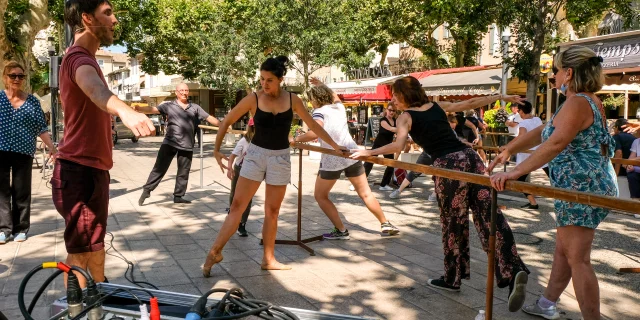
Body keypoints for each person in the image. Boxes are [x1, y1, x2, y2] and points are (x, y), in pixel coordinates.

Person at [350, 76, 529, 312]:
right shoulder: (437, 106)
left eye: (395, 94)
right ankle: (513, 268)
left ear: (405, 96)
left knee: (453, 221)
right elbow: (472, 102)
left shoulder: (406, 117)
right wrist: (502, 97)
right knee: (490, 214)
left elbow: (398, 146)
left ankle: (452, 278)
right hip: (471, 159)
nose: (393, 99)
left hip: (448, 166)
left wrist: (368, 152)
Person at [488, 46, 616, 319]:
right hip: (583, 184)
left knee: (578, 259)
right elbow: (543, 132)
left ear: (568, 73)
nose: (553, 76)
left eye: (556, 71)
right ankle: (547, 303)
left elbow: (556, 142)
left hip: (580, 188)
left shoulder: (578, 101)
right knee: (564, 250)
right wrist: (509, 149)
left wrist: (514, 172)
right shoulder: (583, 100)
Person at [202, 56, 342, 275]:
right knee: (237, 207)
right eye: (262, 79)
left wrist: (335, 146)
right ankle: (214, 252)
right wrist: (216, 150)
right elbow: (227, 120)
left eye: (269, 80)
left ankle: (268, 259)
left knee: (272, 211)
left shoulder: (293, 100)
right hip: (255, 155)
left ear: (280, 80)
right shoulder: (253, 99)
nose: (264, 84)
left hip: (281, 157)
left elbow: (314, 124)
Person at [53, 0, 155, 287]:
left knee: (95, 246)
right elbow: (95, 90)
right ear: (87, 18)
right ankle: (76, 310)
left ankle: (97, 303)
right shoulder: (78, 59)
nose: (114, 21)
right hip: (78, 171)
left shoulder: (87, 58)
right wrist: (125, 110)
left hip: (93, 171)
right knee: (81, 253)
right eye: (107, 14)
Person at [295, 79, 399, 240]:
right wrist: (322, 84)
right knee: (365, 193)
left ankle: (341, 230)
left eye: (310, 99)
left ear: (315, 99)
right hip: (351, 154)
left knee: (320, 196)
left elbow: (315, 132)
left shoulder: (319, 112)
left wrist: (296, 140)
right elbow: (335, 95)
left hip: (332, 158)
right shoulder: (339, 107)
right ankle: (385, 223)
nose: (310, 103)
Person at [0, 61, 57, 244]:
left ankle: (21, 228)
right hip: (0, 150)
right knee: (1, 192)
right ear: (5, 77)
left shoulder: (32, 101)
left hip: (23, 151)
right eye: (13, 75)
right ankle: (4, 229)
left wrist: (52, 148)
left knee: (21, 191)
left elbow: (40, 127)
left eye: (20, 76)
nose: (17, 79)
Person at [137, 83, 220, 205]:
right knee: (159, 168)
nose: (184, 92)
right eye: (181, 90)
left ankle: (178, 196)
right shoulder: (169, 106)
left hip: (187, 144)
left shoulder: (195, 107)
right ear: (176, 92)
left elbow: (208, 118)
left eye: (186, 90)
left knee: (183, 171)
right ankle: (147, 190)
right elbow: (153, 109)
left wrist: (223, 124)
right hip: (170, 142)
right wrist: (139, 109)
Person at [508, 101, 549, 209]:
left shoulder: (523, 123)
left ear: (521, 111)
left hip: (527, 154)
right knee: (552, 177)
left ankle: (533, 202)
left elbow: (521, 137)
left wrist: (507, 147)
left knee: (520, 179)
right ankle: (533, 203)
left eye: (519, 110)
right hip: (541, 152)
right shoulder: (537, 119)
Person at [227, 118, 256, 237]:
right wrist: (230, 169)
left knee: (248, 198)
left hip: (252, 172)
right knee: (234, 194)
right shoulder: (244, 141)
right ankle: (232, 215)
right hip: (239, 169)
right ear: (250, 128)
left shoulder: (263, 141)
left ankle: (242, 224)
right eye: (254, 127)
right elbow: (232, 156)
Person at [363, 104, 397, 191]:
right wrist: (402, 129)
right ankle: (359, 183)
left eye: (393, 111)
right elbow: (391, 129)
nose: (391, 112)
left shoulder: (395, 121)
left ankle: (383, 185)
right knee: (369, 163)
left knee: (391, 164)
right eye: (390, 110)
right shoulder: (383, 120)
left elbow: (396, 132)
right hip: (378, 144)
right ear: (386, 110)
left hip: (388, 146)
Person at [612, 118, 636, 198]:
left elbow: (619, 153)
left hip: (622, 169)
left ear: (617, 127)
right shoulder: (634, 138)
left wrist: (616, 173)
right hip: (632, 168)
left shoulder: (617, 137)